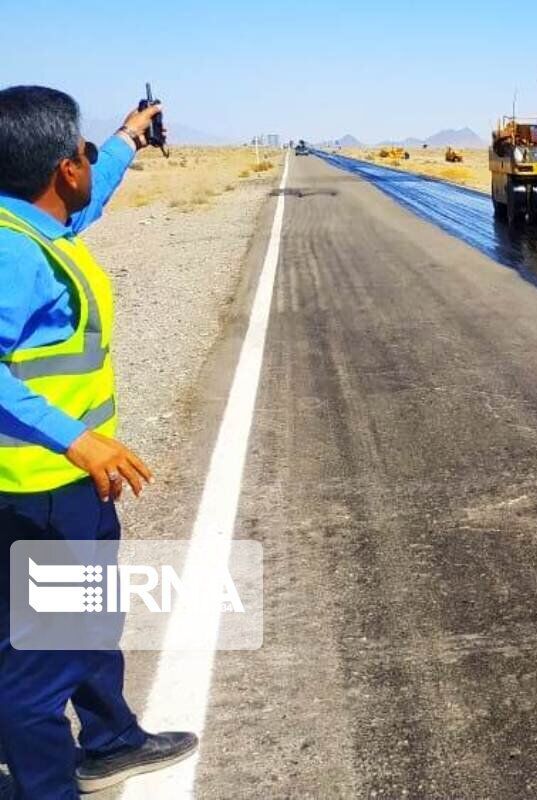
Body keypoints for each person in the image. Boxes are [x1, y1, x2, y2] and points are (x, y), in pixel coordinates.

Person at [0, 85, 197, 798]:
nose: (90, 163)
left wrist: (125, 138)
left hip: (47, 490)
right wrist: (77, 441)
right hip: (44, 491)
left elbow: (93, 195)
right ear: (63, 170)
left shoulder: (35, 227)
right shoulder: (14, 253)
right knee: (43, 662)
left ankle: (111, 736)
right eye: (84, 153)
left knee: (71, 627)